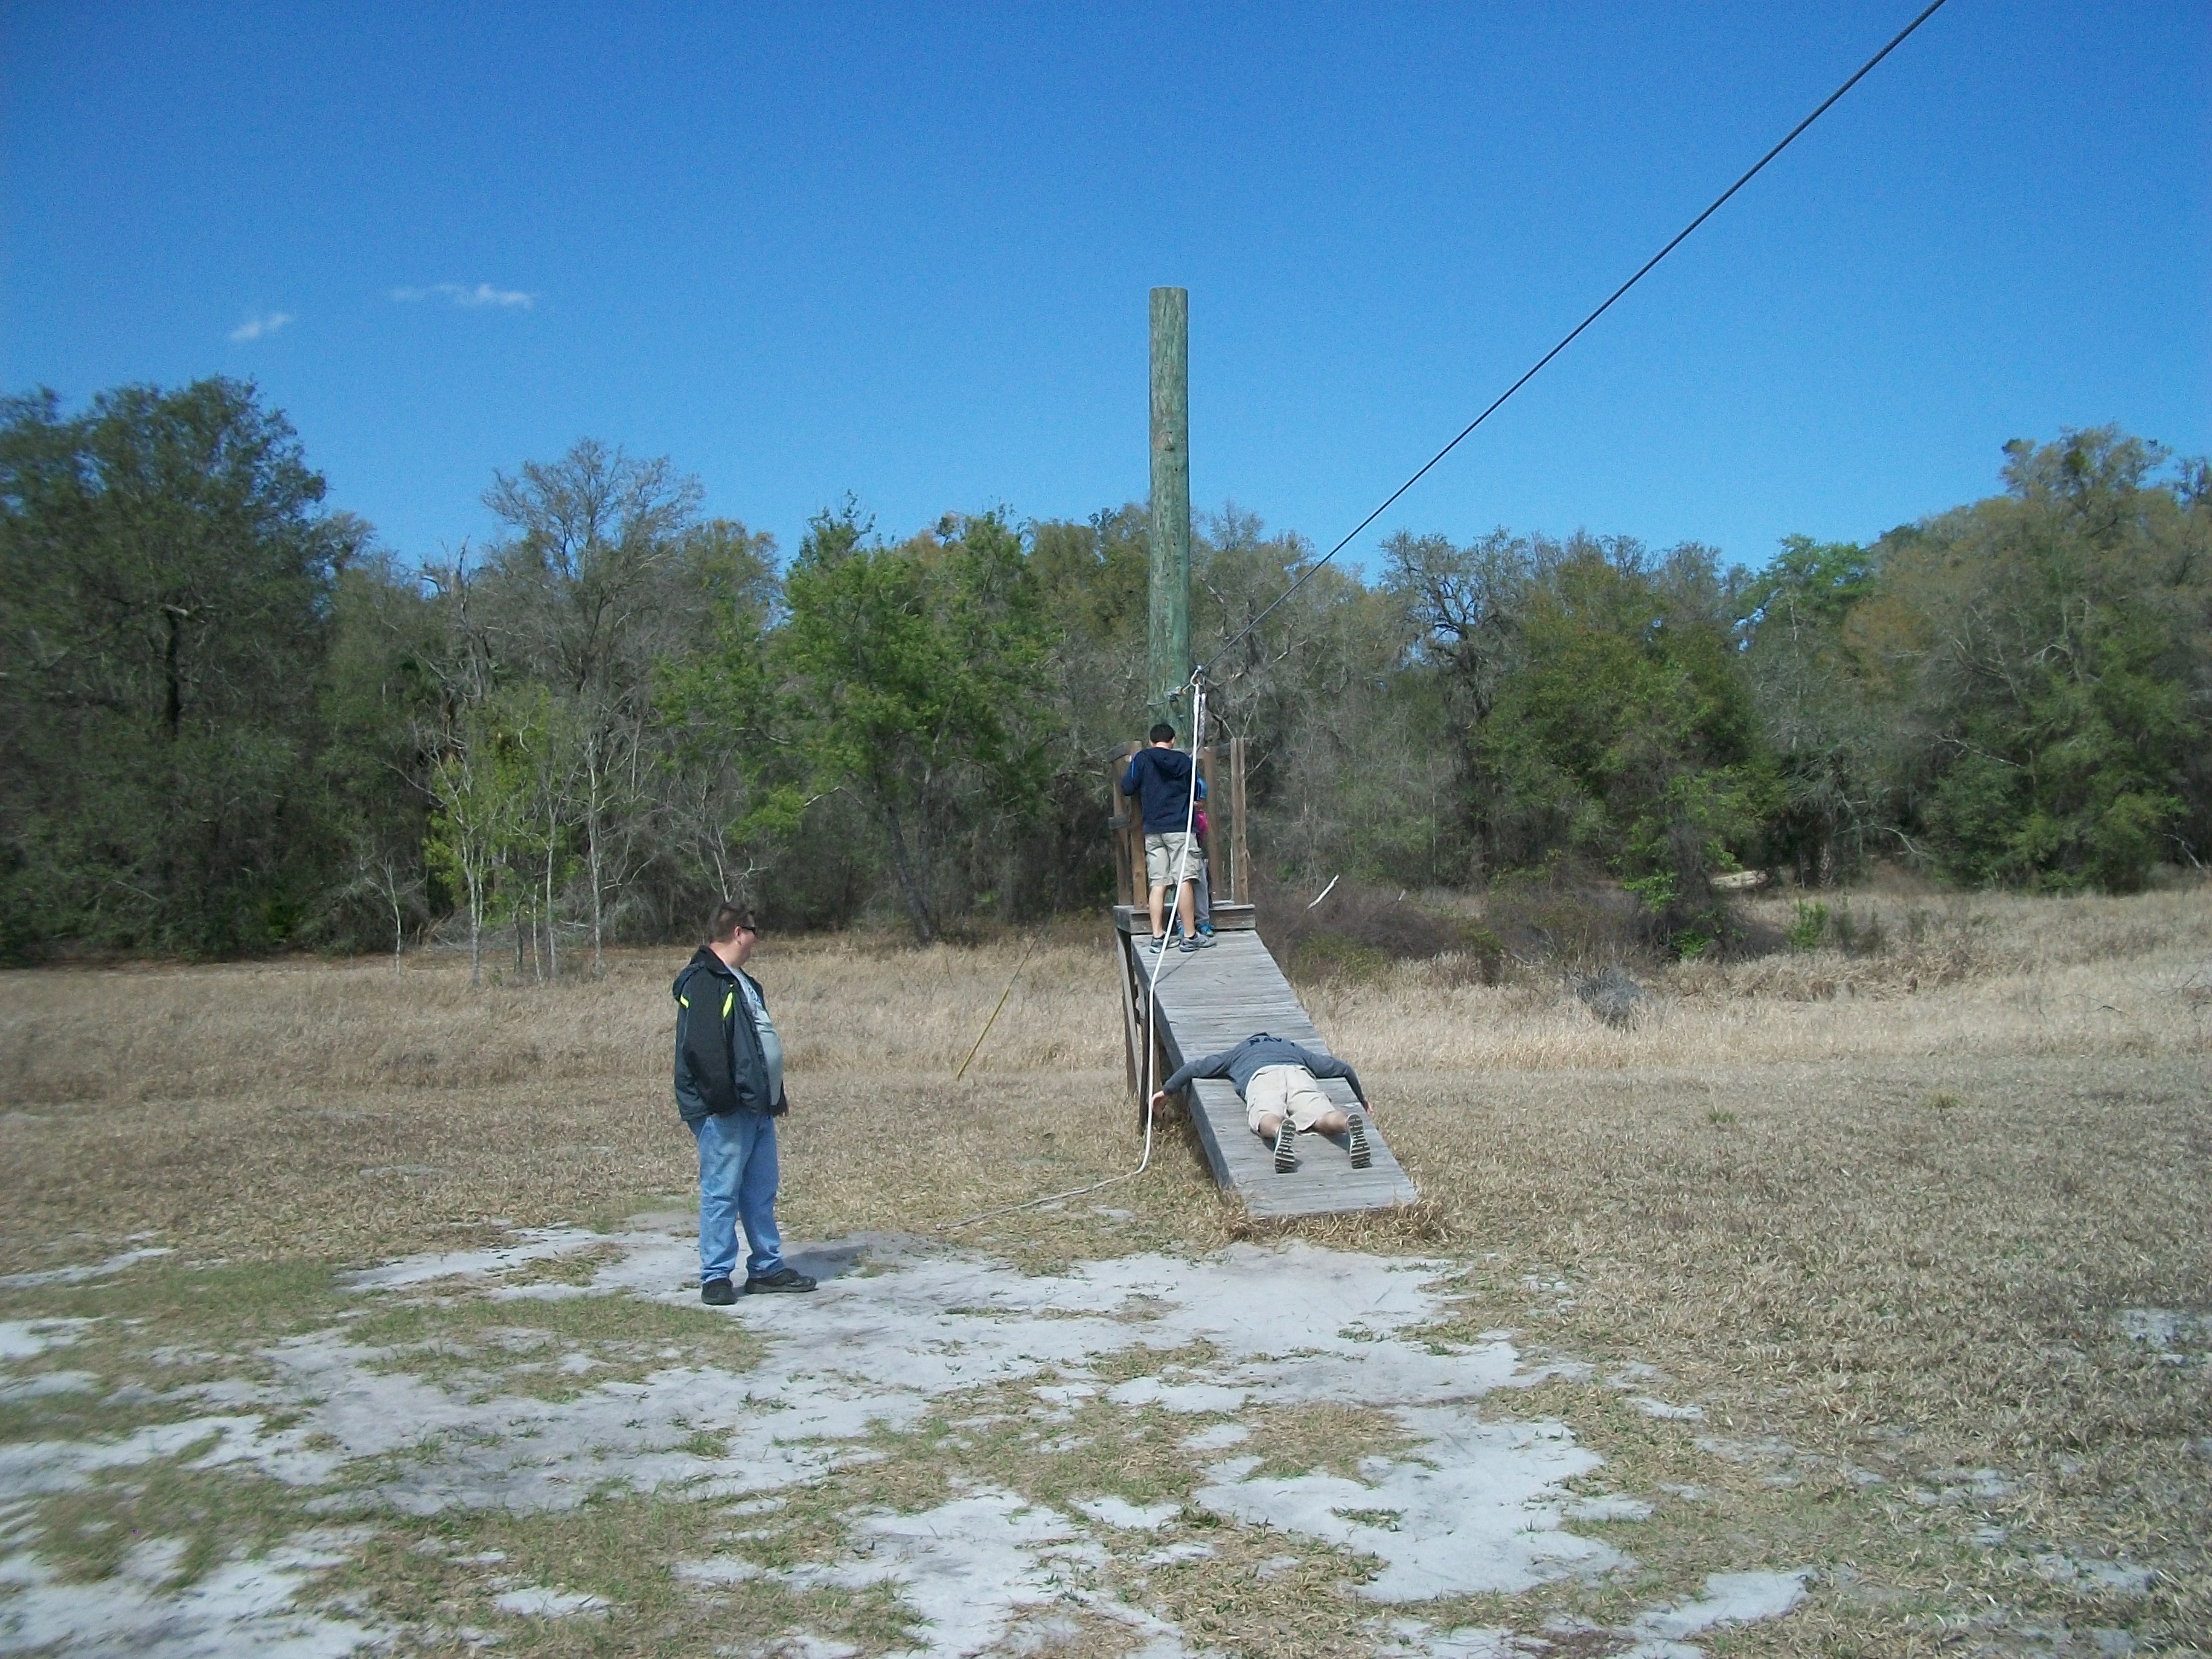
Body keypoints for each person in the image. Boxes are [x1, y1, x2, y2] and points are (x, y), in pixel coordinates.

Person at [672, 902, 816, 1303]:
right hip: (727, 1110)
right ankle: (716, 1276)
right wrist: (723, 1102)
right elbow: (702, 1050)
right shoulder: (705, 980)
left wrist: (772, 1096)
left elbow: (754, 1045)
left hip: (757, 1107)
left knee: (760, 1191)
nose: (756, 939)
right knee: (722, 1192)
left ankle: (767, 1268)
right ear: (738, 932)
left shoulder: (742, 981)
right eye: (753, 931)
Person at [1150, 1032, 1373, 1174]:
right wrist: (1361, 1098)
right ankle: (1345, 1124)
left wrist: (1167, 1091)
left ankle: (1278, 1131)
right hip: (1298, 1071)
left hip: (1262, 1076)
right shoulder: (1293, 1048)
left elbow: (1194, 1068)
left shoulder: (1238, 1052)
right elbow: (1342, 1068)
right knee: (1320, 1112)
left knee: (1265, 1113)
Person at [1120, 722, 1213, 955]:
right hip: (1181, 828)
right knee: (1184, 879)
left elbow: (1127, 787)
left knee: (1158, 882)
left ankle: (1158, 937)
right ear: (1172, 741)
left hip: (1153, 829)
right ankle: (1190, 936)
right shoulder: (1184, 761)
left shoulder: (1142, 759)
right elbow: (1198, 789)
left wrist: (1133, 765)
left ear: (1151, 741)